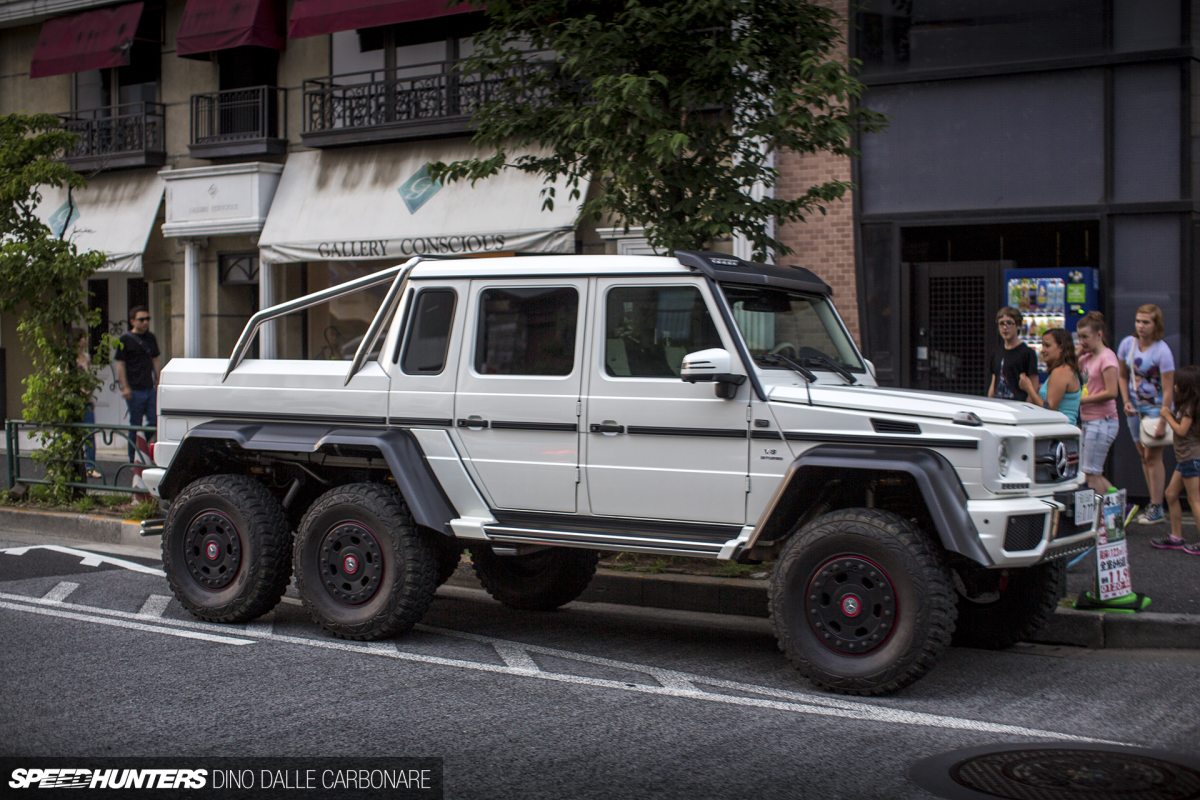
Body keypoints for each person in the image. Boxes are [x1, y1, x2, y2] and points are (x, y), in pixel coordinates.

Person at [1118, 304, 1175, 524]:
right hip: (1134, 407)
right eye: (1138, 321)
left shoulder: (1162, 350)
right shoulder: (1127, 344)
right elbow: (1122, 375)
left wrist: (1163, 419)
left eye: (1146, 322)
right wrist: (1125, 400)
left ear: (1156, 324)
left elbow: (1169, 388)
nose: (1141, 326)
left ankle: (1157, 506)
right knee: (1143, 456)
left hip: (1155, 407)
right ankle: (1154, 502)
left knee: (1152, 456)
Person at [1152, 365, 1200, 553]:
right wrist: (1172, 416)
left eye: (1177, 384)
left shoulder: (1189, 407)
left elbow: (1181, 430)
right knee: (1171, 494)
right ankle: (1176, 536)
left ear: (1186, 386)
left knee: (1194, 499)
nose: (1175, 387)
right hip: (1185, 458)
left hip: (1191, 457)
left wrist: (1166, 416)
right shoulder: (1188, 406)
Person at [1076, 311, 1120, 494]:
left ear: (1099, 335)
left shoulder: (1107, 358)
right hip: (1089, 420)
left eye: (1085, 337)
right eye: (1079, 337)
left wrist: (1082, 400)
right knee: (1091, 470)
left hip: (1103, 420)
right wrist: (1078, 351)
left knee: (1091, 473)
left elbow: (1112, 392)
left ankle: (1100, 518)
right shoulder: (1085, 358)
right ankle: (1115, 504)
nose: (1082, 341)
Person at [114, 305, 160, 463]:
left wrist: (158, 381)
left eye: (148, 319)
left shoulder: (151, 338)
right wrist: (124, 386)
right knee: (135, 424)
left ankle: (144, 450)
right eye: (141, 319)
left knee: (154, 421)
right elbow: (120, 364)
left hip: (149, 388)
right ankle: (133, 457)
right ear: (132, 321)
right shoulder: (125, 340)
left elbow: (155, 360)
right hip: (134, 389)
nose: (145, 322)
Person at [1020, 328, 1080, 422]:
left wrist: (1029, 388)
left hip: (1061, 432)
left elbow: (1050, 409)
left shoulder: (1061, 372)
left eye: (1047, 346)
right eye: (1042, 346)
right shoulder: (1065, 369)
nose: (1042, 350)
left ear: (1061, 348)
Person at [988, 307, 1039, 402]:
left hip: (1018, 406)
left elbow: (1034, 384)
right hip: (998, 404)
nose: (1005, 327)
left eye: (1009, 323)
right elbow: (994, 380)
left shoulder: (1027, 353)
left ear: (1018, 325)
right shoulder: (996, 352)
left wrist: (1027, 407)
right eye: (1001, 323)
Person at [73, 328, 101, 479]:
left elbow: (91, 378)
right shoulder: (67, 359)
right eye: (83, 338)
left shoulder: (86, 357)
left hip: (87, 401)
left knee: (89, 434)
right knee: (68, 434)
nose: (86, 340)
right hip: (72, 402)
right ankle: (67, 466)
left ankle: (90, 466)